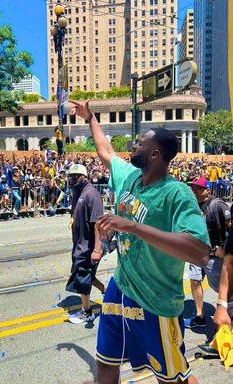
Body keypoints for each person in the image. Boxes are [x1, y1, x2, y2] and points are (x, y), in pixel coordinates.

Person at [70, 99, 211, 384]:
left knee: (172, 377)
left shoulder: (176, 194)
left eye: (140, 144)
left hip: (156, 302)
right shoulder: (131, 178)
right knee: (106, 363)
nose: (133, 147)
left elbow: (199, 252)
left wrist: (133, 227)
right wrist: (90, 118)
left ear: (156, 154)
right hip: (119, 289)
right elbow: (105, 151)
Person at [185, 177, 231, 329]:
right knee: (194, 280)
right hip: (196, 253)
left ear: (208, 190)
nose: (194, 190)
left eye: (198, 188)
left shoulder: (216, 204)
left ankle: (224, 326)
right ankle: (200, 316)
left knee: (223, 291)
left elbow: (231, 226)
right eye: (193, 187)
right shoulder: (192, 206)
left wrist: (225, 248)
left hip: (214, 256)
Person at [66, 163, 106, 325]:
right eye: (71, 176)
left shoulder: (91, 194)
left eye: (77, 176)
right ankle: (106, 290)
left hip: (88, 246)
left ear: (85, 176)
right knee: (86, 275)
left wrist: (97, 249)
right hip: (79, 244)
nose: (73, 179)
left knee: (82, 277)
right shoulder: (78, 192)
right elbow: (75, 211)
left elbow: (97, 223)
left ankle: (87, 312)